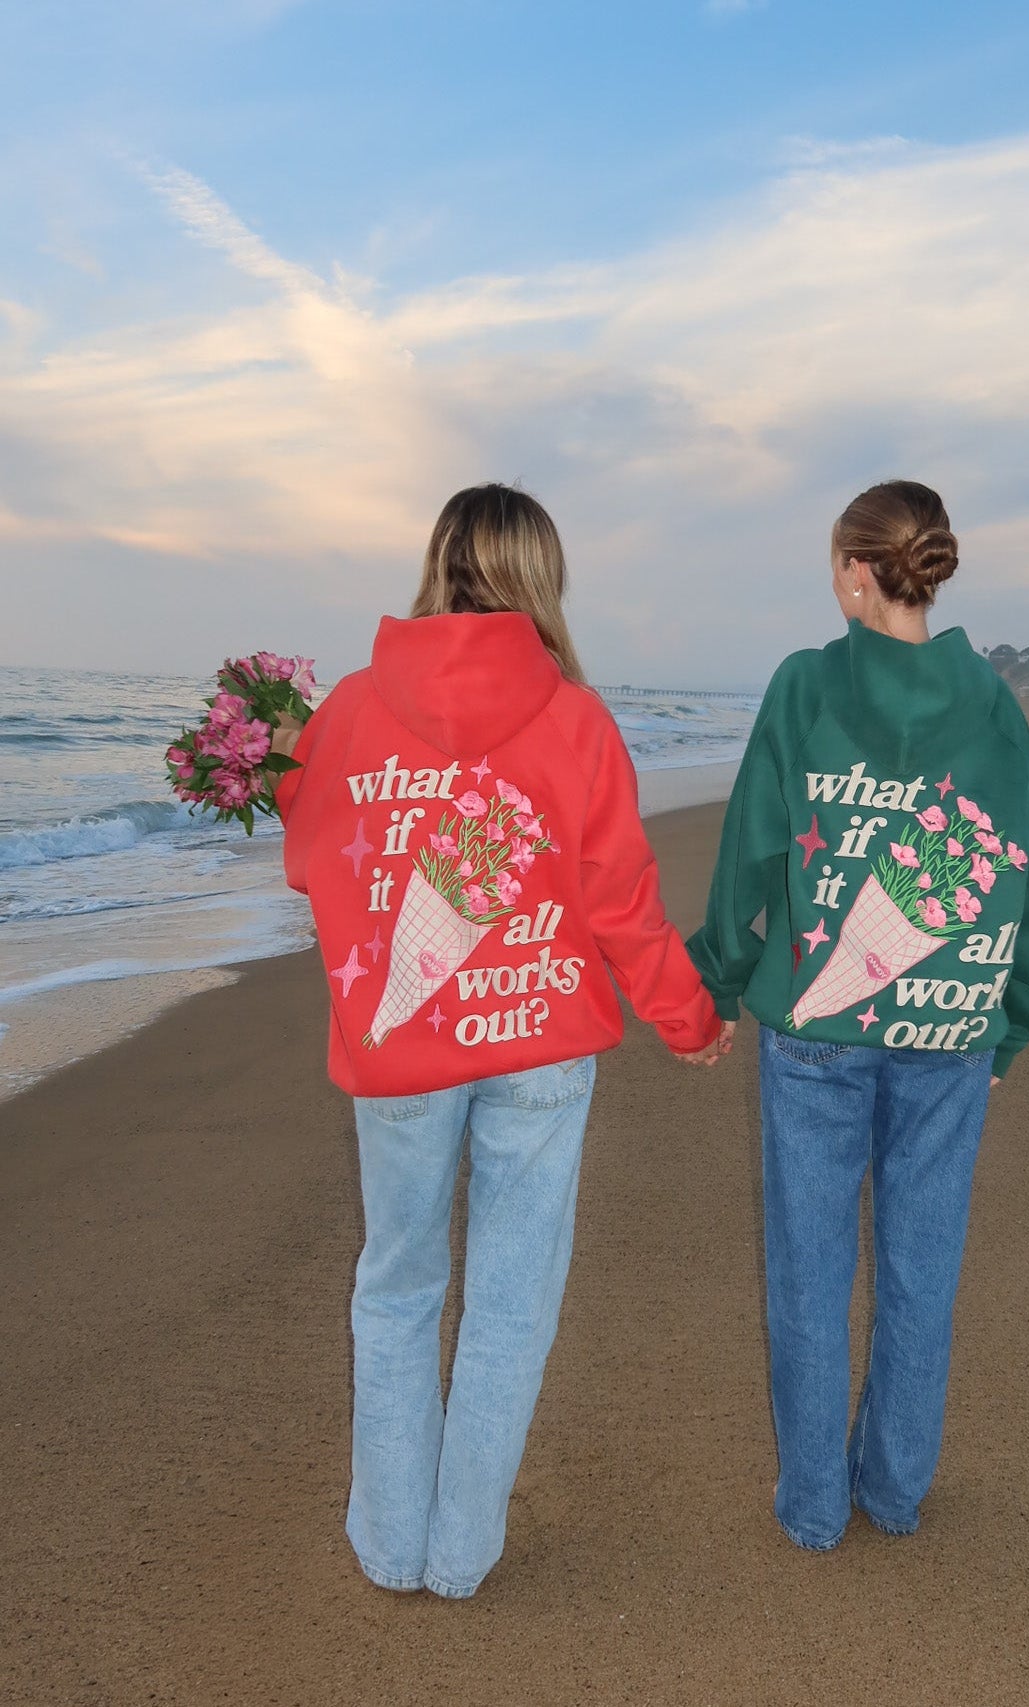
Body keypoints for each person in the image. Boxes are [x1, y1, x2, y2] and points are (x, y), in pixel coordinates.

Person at [272, 483, 725, 1598]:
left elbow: (314, 858)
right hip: (538, 1048)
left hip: (401, 1055)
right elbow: (620, 897)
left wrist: (294, 767)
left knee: (397, 1287)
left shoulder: (355, 710)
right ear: (540, 575)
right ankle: (460, 1552)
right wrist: (689, 1018)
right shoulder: (575, 718)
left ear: (437, 562)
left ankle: (389, 1548)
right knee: (511, 1300)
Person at [687, 480, 1029, 1551]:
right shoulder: (989, 700)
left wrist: (719, 980)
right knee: (921, 1265)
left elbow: (754, 855)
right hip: (950, 1027)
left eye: (834, 566)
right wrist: (1012, 1010)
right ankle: (891, 1491)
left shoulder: (805, 687)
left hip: (815, 1030)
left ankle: (813, 1503)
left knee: (809, 1269)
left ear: (860, 571)